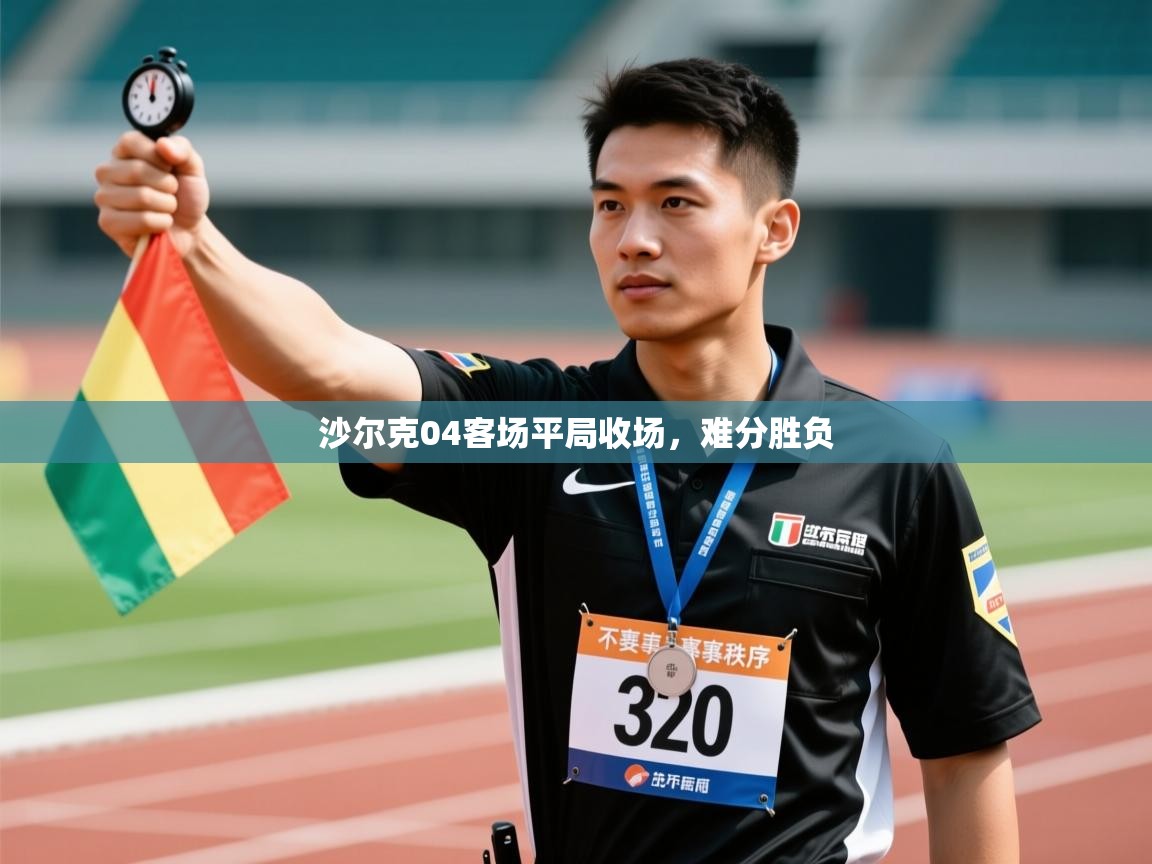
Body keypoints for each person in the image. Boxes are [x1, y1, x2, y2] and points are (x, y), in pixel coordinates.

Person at [94, 58, 1039, 863]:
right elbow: (336, 367)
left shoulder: (896, 467)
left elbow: (965, 754)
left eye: (676, 203)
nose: (634, 239)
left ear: (774, 230)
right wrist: (191, 241)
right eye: (609, 205)